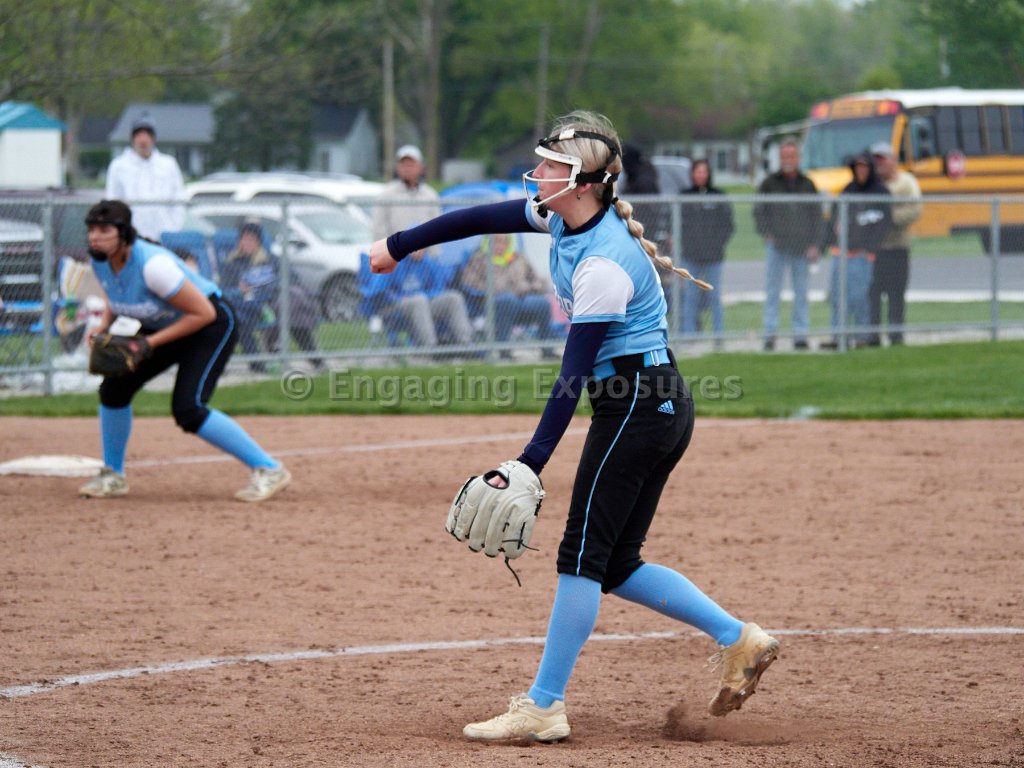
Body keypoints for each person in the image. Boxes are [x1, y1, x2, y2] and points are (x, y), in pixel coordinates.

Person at [369, 110, 779, 742]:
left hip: (638, 405)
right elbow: (478, 218)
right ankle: (738, 638)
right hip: (654, 402)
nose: (536, 172)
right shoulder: (562, 216)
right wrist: (399, 245)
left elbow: (573, 374)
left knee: (580, 558)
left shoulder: (603, 264)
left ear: (583, 183)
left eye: (550, 166)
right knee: (615, 563)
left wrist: (529, 462)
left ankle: (543, 705)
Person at [77, 200, 291, 503]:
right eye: (91, 230)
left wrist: (150, 343)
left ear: (123, 234)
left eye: (103, 230)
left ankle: (269, 469)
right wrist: (104, 326)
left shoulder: (153, 266)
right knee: (114, 390)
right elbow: (116, 291)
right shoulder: (101, 260)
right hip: (167, 324)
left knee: (188, 408)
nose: (94, 237)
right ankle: (113, 475)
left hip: (210, 324)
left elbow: (204, 313)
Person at [754, 140, 823, 351]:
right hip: (777, 246)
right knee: (772, 291)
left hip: (802, 247)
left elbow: (817, 216)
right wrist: (766, 233)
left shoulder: (807, 184)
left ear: (798, 158)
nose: (788, 160)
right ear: (780, 158)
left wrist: (815, 244)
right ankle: (770, 334)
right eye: (784, 156)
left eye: (791, 156)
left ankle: (800, 335)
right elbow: (759, 211)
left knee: (801, 293)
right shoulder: (769, 183)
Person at [820, 152, 891, 350]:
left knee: (859, 298)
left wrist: (871, 248)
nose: (861, 170)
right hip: (841, 253)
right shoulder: (848, 190)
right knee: (837, 297)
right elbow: (833, 219)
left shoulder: (879, 192)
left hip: (862, 254)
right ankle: (838, 337)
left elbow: (884, 223)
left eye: (864, 166)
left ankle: (861, 337)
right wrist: (827, 242)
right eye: (858, 166)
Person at [458, 232, 558, 358]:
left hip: (522, 299)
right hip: (494, 302)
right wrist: (495, 290)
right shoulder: (479, 259)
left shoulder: (519, 258)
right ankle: (504, 351)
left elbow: (537, 281)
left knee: (542, 303)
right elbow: (469, 283)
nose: (500, 245)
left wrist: (528, 288)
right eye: (496, 241)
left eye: (504, 241)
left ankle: (547, 350)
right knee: (507, 299)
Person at [867, 141, 922, 346]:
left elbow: (914, 209)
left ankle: (896, 335)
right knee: (873, 294)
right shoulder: (871, 184)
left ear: (893, 160)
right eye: (876, 160)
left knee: (896, 294)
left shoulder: (906, 183)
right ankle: (872, 335)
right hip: (874, 250)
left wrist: (888, 217)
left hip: (897, 247)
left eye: (883, 159)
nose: (879, 164)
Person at [680, 159, 734, 343]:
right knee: (691, 297)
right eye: (697, 171)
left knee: (714, 296)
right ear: (692, 174)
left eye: (704, 171)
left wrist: (717, 244)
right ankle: (689, 336)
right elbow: (678, 225)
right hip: (690, 256)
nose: (700, 175)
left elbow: (728, 225)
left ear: (709, 174)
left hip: (714, 256)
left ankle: (718, 336)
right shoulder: (684, 196)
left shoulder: (718, 196)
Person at [105, 117, 185, 241]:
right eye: (139, 135)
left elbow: (179, 198)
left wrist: (174, 229)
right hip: (132, 236)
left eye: (147, 135)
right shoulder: (119, 166)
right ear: (133, 139)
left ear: (153, 139)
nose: (143, 140)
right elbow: (112, 200)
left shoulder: (169, 164)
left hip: (164, 234)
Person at [220, 220, 278, 373]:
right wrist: (238, 291)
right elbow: (223, 289)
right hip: (238, 305)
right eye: (244, 239)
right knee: (237, 321)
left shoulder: (269, 261)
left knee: (237, 321)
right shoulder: (232, 263)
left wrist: (257, 291)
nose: (247, 243)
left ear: (258, 242)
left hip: (259, 306)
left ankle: (223, 362)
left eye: (251, 240)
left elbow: (277, 283)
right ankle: (255, 363)